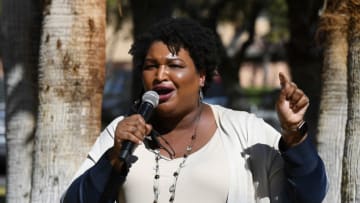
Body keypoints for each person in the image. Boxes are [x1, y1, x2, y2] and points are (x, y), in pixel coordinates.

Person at [61, 18, 327, 203]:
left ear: (201, 75)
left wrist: (294, 133)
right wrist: (114, 159)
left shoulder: (244, 132)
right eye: (150, 65)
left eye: (174, 65)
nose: (160, 75)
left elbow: (312, 194)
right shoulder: (122, 133)